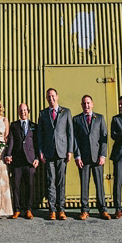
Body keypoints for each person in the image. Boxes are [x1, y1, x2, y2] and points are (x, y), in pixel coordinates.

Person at [37, 87, 75, 220]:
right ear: (46, 99)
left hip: (62, 151)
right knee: (50, 180)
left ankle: (61, 209)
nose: (51, 99)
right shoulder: (43, 114)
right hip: (48, 152)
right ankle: (52, 209)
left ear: (57, 97)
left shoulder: (66, 112)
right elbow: (40, 135)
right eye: (48, 97)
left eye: (53, 96)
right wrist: (40, 151)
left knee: (61, 181)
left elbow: (70, 133)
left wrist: (70, 150)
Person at [73, 95, 110, 220]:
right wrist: (77, 156)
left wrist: (103, 155)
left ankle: (102, 210)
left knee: (99, 184)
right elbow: (75, 139)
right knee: (84, 184)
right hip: (83, 158)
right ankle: (84, 210)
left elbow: (104, 138)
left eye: (88, 103)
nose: (86, 106)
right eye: (84, 103)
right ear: (81, 105)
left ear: (92, 104)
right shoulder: (76, 120)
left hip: (97, 157)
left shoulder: (99, 118)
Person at [2, 102, 39, 219]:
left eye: (25, 110)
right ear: (18, 112)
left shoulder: (34, 126)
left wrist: (37, 158)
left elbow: (37, 143)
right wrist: (8, 154)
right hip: (17, 160)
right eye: (21, 110)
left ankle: (28, 209)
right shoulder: (14, 125)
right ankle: (17, 209)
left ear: (28, 112)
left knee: (29, 185)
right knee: (16, 186)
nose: (23, 112)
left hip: (30, 160)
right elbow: (11, 141)